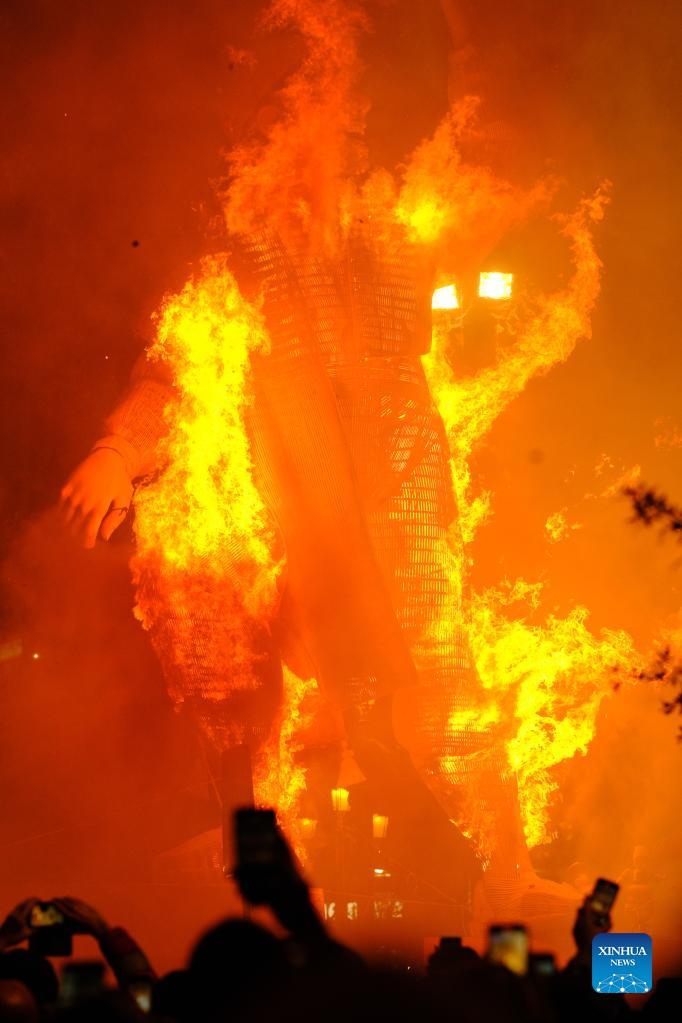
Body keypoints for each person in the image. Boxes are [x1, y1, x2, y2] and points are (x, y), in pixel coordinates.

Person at [59, 0, 526, 895]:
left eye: (334, 118)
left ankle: (497, 878)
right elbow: (181, 367)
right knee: (256, 704)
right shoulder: (242, 253)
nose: (325, 134)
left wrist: (482, 45)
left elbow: (492, 174)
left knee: (439, 687)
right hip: (299, 516)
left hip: (401, 496)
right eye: (288, 113)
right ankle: (269, 888)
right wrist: (118, 450)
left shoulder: (396, 228)